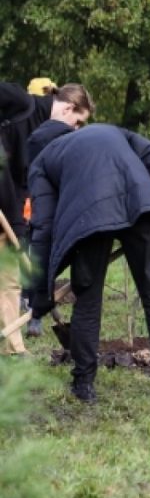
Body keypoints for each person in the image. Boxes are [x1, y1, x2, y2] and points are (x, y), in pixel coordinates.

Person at [26, 84, 150, 402]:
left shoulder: (41, 162)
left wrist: (40, 294)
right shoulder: (111, 131)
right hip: (140, 207)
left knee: (88, 300)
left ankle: (83, 385)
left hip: (89, 220)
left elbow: (42, 228)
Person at [0, 82, 53, 354]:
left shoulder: (40, 134)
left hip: (7, 211)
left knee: (8, 279)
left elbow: (16, 181)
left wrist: (18, 227)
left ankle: (12, 347)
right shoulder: (19, 104)